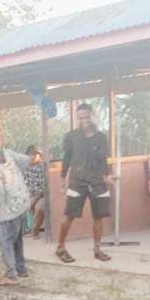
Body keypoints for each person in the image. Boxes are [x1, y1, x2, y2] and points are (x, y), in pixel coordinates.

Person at [56, 103, 115, 263]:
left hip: (97, 183)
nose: (84, 120)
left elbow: (104, 160)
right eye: (81, 117)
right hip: (77, 182)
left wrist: (107, 175)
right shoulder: (71, 136)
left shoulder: (101, 137)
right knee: (69, 216)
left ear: (92, 115)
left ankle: (97, 249)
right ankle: (60, 247)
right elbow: (66, 159)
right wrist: (62, 180)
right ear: (77, 118)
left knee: (99, 217)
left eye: (87, 117)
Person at [0, 147, 32, 285]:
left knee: (3, 241)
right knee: (16, 239)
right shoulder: (9, 156)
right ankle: (20, 268)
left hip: (10, 208)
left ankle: (11, 275)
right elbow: (26, 159)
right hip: (23, 202)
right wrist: (16, 176)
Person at [24, 145, 46, 237]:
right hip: (28, 195)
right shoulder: (26, 167)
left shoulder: (42, 167)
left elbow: (43, 188)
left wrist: (33, 201)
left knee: (40, 208)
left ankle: (35, 230)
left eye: (34, 154)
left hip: (41, 196)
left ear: (39, 155)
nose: (32, 156)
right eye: (30, 155)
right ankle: (25, 230)